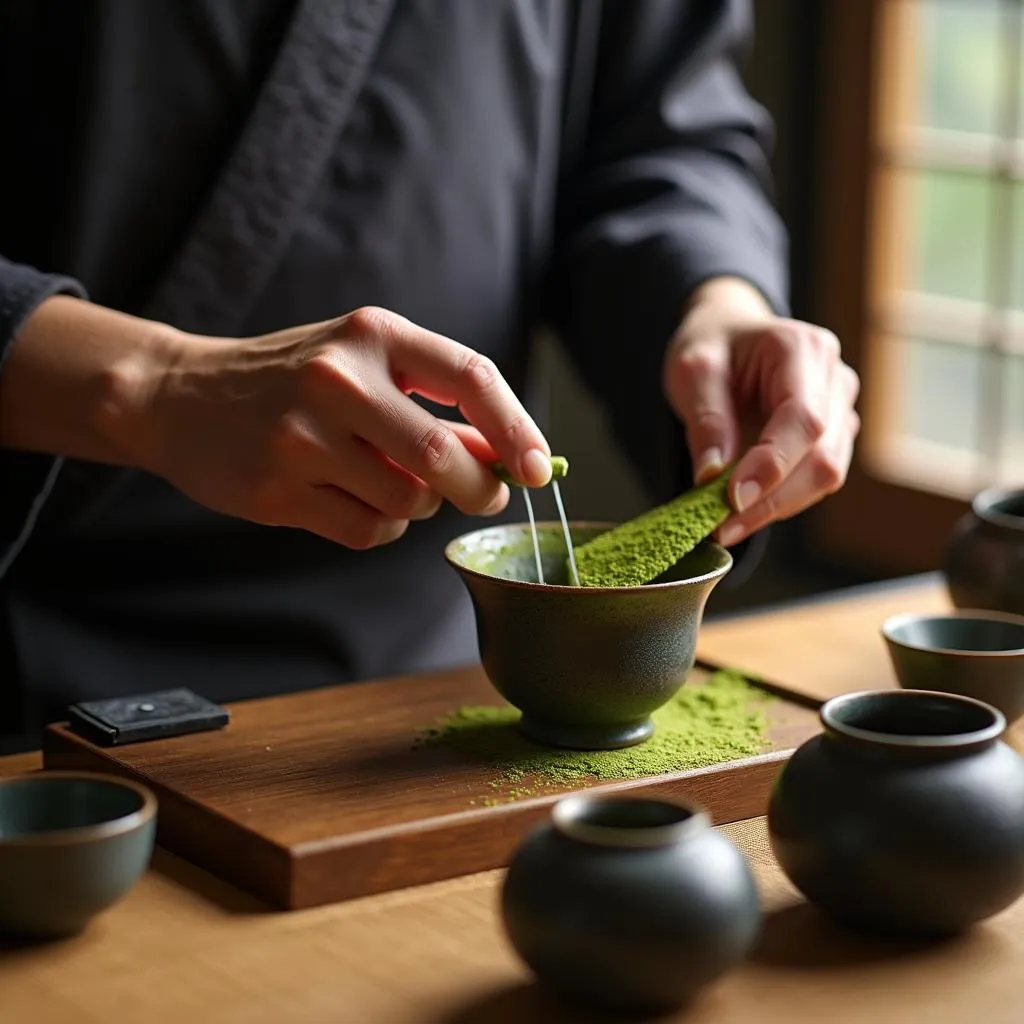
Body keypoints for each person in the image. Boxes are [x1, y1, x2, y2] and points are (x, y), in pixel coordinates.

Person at [0, 0, 859, 744]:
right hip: (34, 642)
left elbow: (662, 131)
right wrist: (151, 382)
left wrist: (716, 303)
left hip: (424, 678)